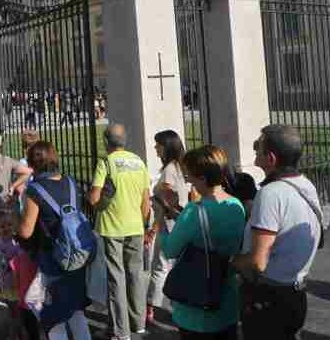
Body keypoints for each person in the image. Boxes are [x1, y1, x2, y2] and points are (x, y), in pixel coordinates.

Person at [232, 124, 322, 340]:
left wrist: (232, 262)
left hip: (268, 298)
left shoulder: (271, 194)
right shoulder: (305, 184)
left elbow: (258, 261)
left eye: (258, 151)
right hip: (295, 292)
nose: (255, 157)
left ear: (270, 158)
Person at [161, 145, 246, 339]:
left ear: (203, 178)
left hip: (197, 305)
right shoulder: (235, 205)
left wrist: (160, 223)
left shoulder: (194, 211)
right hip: (227, 299)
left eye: (189, 175)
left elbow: (170, 250)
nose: (188, 179)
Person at [18, 140, 92, 340]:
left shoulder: (35, 190)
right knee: (76, 308)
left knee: (54, 314)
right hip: (76, 252)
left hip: (53, 256)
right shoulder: (70, 181)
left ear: (33, 163)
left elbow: (26, 231)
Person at [89, 123, 151, 340]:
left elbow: (94, 198)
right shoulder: (138, 161)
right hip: (135, 225)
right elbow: (146, 200)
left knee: (116, 278)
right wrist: (142, 222)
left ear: (106, 141)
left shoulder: (106, 162)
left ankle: (120, 330)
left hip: (112, 226)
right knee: (135, 275)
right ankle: (138, 322)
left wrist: (98, 202)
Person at [146, 130, 190, 322]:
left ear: (167, 146)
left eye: (158, 144)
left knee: (160, 266)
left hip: (167, 224)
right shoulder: (178, 166)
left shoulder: (170, 170)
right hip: (177, 223)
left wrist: (154, 227)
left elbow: (167, 200)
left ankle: (152, 307)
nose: (155, 147)